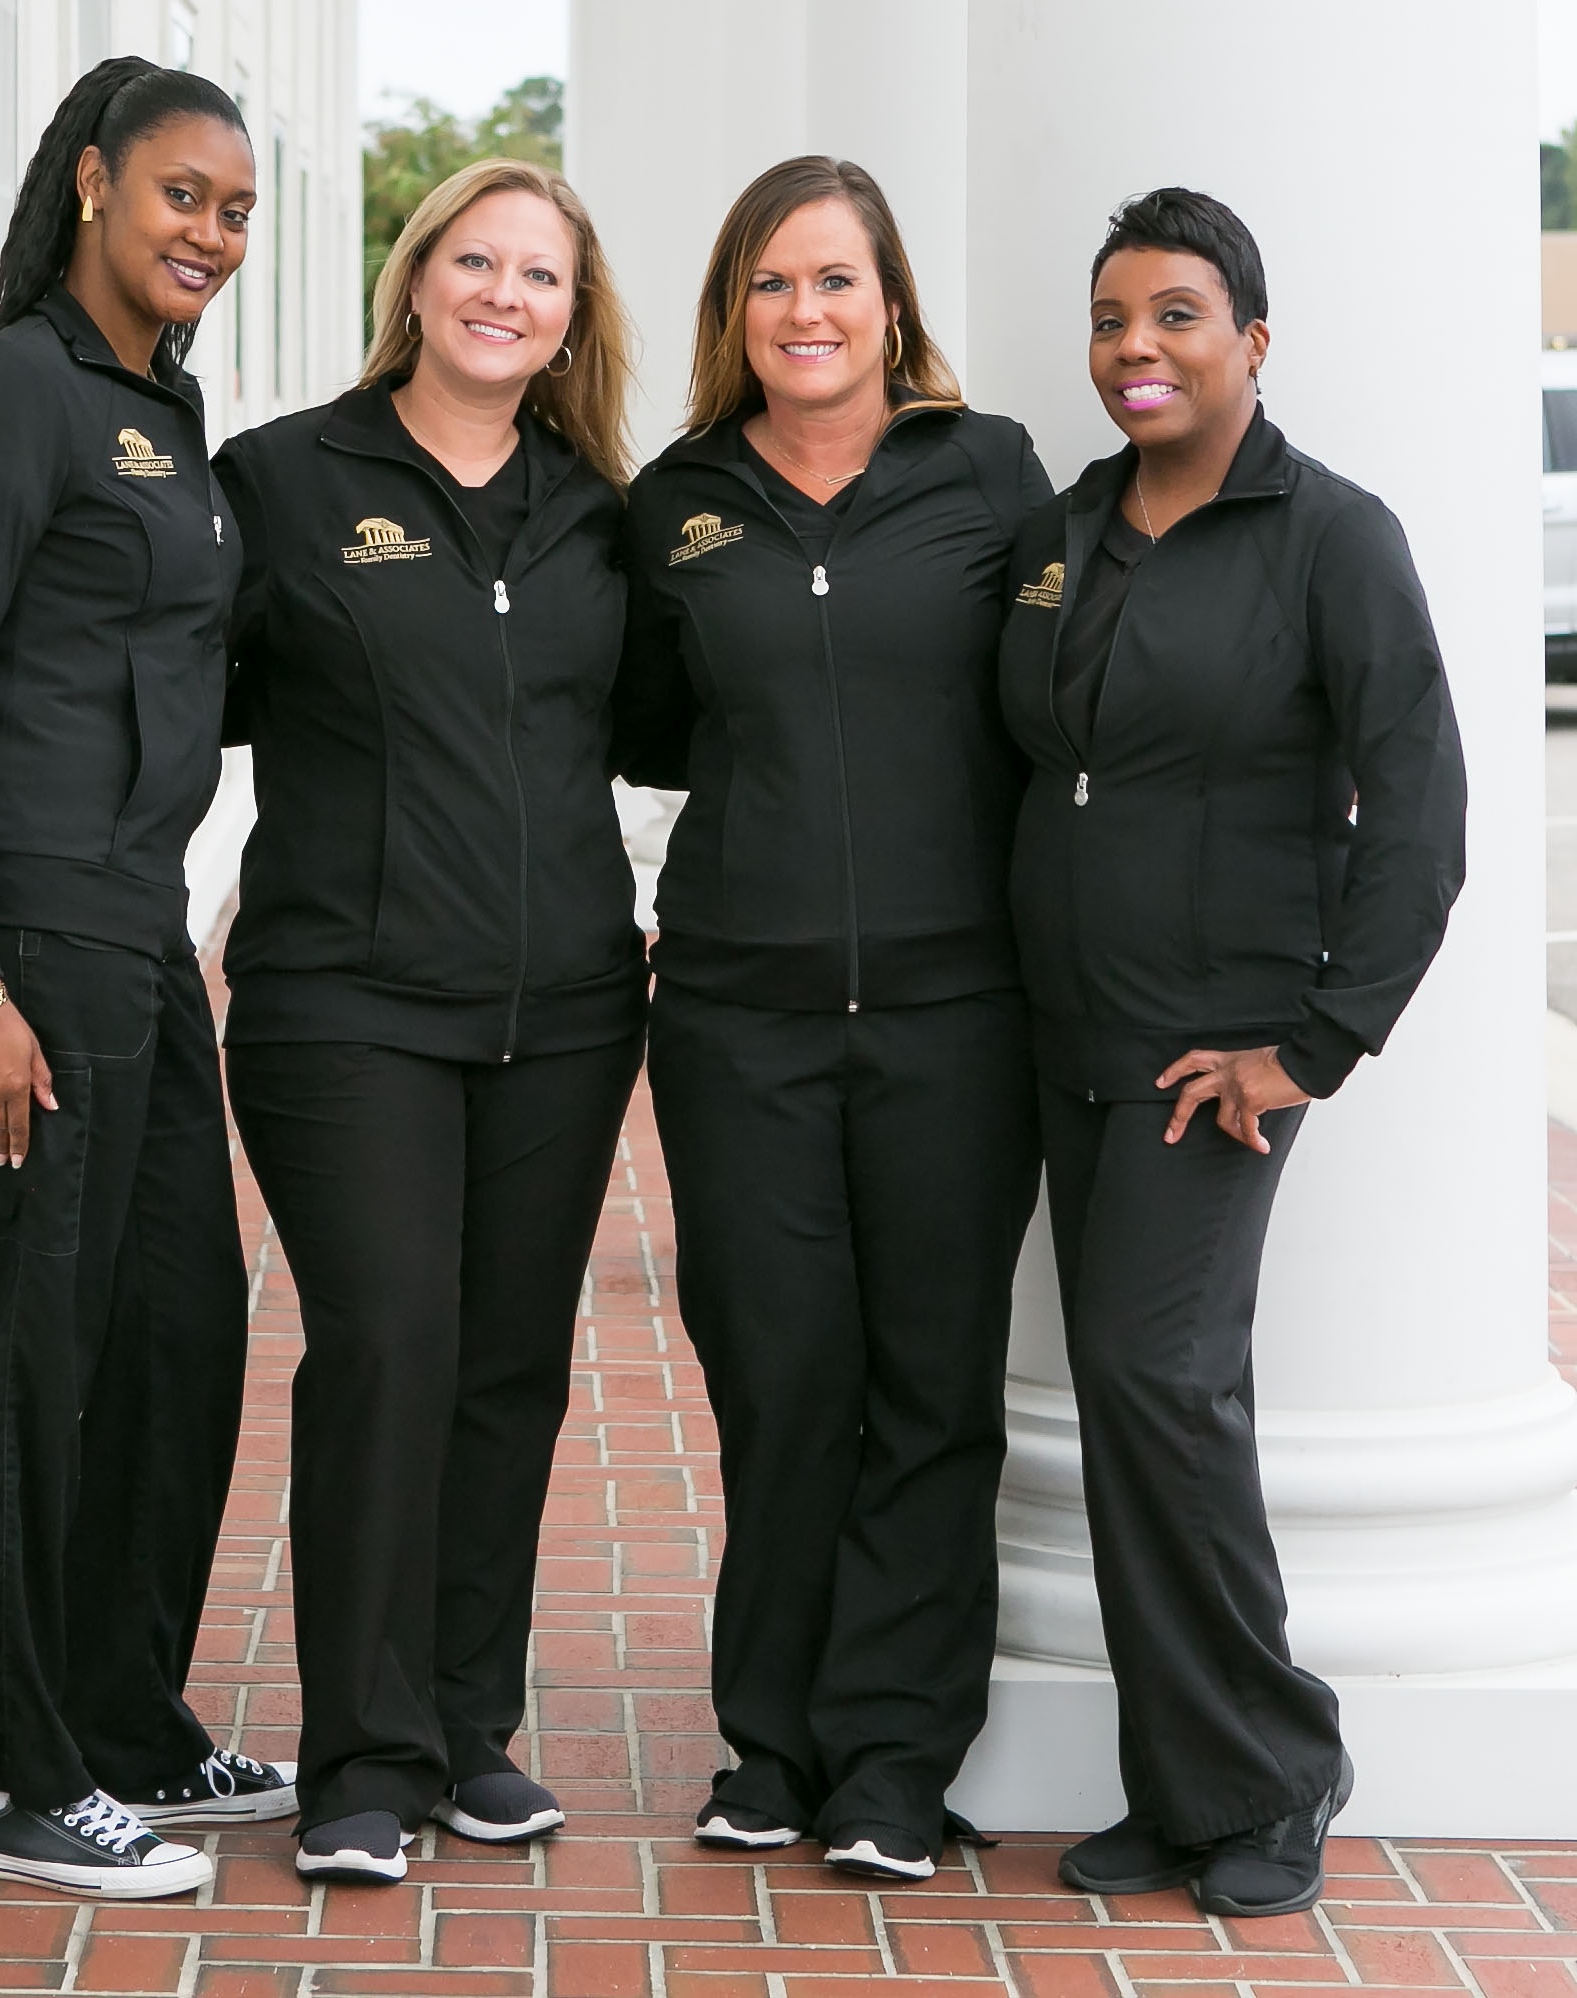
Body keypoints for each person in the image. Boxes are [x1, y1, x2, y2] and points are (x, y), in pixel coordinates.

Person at [999, 187, 1465, 1917]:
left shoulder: (1332, 535)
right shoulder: (1070, 527)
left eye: (1177, 315)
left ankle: (1274, 1766)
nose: (1138, 347)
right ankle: (1186, 1781)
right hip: (1066, 1037)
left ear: (1252, 341)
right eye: (1112, 318)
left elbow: (1420, 810)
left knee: (1154, 1382)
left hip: (1213, 1060)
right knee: (1146, 1407)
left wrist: (1312, 1044)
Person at [0, 56, 294, 1900]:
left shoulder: (167, 419)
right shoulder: (12, 394)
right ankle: (11, 1771)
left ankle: (123, 1717)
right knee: (37, 1351)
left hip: (139, 933)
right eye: (184, 194)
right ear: (98, 182)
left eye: (237, 211)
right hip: (22, 937)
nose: (212, 233)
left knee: (178, 1334)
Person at [611, 156, 1051, 1883]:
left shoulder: (987, 471)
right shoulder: (679, 499)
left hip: (959, 1016)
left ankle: (892, 1762)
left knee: (933, 1387)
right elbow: (650, 721)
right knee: (780, 1377)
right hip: (740, 1017)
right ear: (736, 309)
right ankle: (772, 1745)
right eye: (773, 282)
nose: (806, 312)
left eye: (836, 280)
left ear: (891, 303)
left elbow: (1052, 700)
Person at [213, 158, 644, 1885]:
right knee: (389, 1347)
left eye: (539, 275)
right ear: (418, 276)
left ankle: (469, 1726)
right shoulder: (285, 481)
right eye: (477, 259)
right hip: (347, 1006)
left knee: (507, 1367)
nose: (502, 294)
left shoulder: (599, 512)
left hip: (567, 1014)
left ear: (571, 319)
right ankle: (363, 1756)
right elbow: (175, 692)